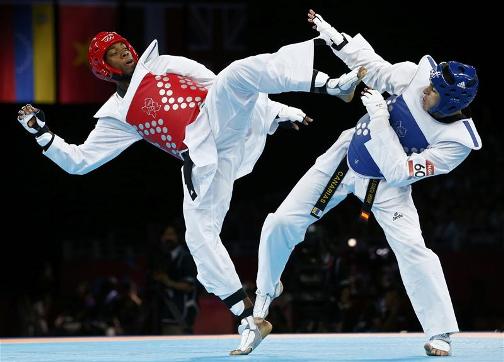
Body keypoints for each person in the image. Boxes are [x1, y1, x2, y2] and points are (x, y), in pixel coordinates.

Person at [16, 29, 365, 354]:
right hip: (205, 161)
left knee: (235, 74)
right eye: (115, 54)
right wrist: (42, 136)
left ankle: (331, 85)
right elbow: (80, 160)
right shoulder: (118, 115)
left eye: (125, 47)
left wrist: (279, 111)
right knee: (199, 236)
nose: (126, 54)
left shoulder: (163, 64)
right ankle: (249, 321)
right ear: (103, 69)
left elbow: (218, 86)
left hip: (219, 119)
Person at [252, 9, 481, 357]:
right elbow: (372, 67)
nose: (426, 89)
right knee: (281, 222)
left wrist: (379, 117)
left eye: (434, 90)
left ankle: (441, 333)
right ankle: (266, 291)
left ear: (451, 102)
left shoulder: (456, 142)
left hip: (388, 188)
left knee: (414, 251)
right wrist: (333, 36)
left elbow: (400, 171)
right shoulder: (416, 76)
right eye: (431, 82)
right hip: (347, 156)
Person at [147, 222, 198, 334]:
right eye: (165, 235)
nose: (168, 238)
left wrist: (167, 281)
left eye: (171, 234)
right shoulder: (160, 258)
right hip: (161, 315)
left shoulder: (186, 258)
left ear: (178, 237)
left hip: (179, 316)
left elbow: (189, 286)